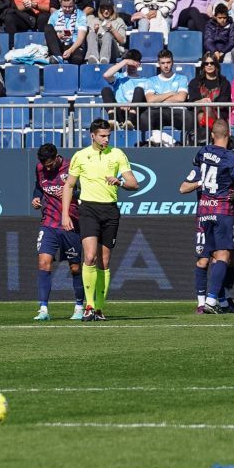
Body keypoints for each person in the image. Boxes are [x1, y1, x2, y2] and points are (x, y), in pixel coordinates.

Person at [61, 119, 140, 321]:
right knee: (89, 257)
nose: (106, 139)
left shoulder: (117, 154)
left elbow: (134, 183)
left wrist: (120, 181)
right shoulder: (80, 156)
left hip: (110, 211)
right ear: (92, 135)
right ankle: (88, 306)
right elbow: (69, 185)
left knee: (104, 262)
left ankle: (99, 308)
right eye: (103, 136)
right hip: (88, 209)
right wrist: (65, 214)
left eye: (108, 136)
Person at [180, 119, 234, 313]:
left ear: (212, 135)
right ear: (228, 135)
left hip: (203, 211)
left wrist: (199, 184)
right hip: (222, 210)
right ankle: (212, 300)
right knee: (224, 255)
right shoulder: (230, 157)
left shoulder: (202, 153)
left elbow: (187, 183)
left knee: (203, 257)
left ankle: (204, 303)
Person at [33, 144, 86, 322]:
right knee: (43, 263)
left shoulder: (72, 166)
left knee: (75, 267)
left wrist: (72, 192)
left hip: (70, 222)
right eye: (44, 166)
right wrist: (36, 197)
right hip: (48, 223)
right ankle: (43, 309)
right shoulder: (40, 168)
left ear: (57, 157)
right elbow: (39, 186)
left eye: (50, 165)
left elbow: (85, 189)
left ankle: (79, 306)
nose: (47, 168)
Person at [144, 49, 191, 131]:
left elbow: (181, 98)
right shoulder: (151, 80)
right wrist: (171, 93)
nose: (166, 66)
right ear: (158, 64)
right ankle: (148, 142)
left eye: (168, 62)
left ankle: (187, 143)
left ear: (172, 62)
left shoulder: (182, 79)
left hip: (177, 111)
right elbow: (150, 100)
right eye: (163, 63)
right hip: (157, 111)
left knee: (189, 116)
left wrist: (158, 98)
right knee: (145, 116)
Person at [101, 49, 149, 127]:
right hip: (119, 110)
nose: (132, 67)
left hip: (135, 113)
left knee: (139, 90)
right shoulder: (119, 77)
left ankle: (131, 120)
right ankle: (112, 119)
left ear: (139, 64)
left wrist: (130, 104)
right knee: (106, 90)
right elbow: (106, 75)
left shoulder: (145, 80)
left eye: (134, 64)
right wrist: (125, 61)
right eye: (130, 64)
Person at [188, 52, 232, 136]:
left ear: (216, 65)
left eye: (212, 63)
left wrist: (209, 104)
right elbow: (192, 101)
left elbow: (224, 101)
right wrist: (202, 101)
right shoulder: (195, 82)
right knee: (201, 114)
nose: (209, 65)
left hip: (219, 114)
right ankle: (212, 136)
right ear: (203, 66)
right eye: (206, 63)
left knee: (205, 110)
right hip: (199, 114)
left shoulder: (224, 83)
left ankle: (207, 137)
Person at [44, 0, 88, 65]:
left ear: (74, 2)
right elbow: (48, 37)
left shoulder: (81, 15)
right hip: (59, 46)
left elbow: (81, 38)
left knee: (77, 59)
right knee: (48, 27)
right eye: (65, 7)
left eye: (70, 7)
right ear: (60, 3)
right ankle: (58, 57)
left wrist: (70, 50)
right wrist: (58, 35)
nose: (67, 9)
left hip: (74, 45)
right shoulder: (55, 15)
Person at [86, 0, 128, 64]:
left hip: (113, 51)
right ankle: (93, 58)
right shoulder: (94, 21)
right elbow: (91, 40)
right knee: (91, 34)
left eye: (108, 8)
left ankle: (104, 60)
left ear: (112, 9)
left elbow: (122, 41)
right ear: (100, 10)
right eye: (103, 8)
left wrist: (112, 29)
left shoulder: (119, 21)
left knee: (107, 35)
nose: (106, 11)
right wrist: (95, 31)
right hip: (97, 49)